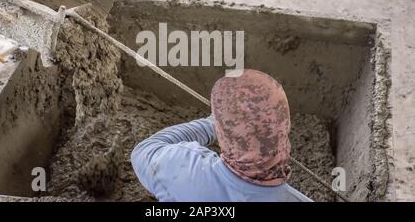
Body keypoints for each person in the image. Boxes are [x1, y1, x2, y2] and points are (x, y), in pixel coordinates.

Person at [131, 69, 312, 202]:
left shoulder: (182, 166)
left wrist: (211, 124)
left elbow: (146, 149)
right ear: (285, 128)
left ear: (222, 131)